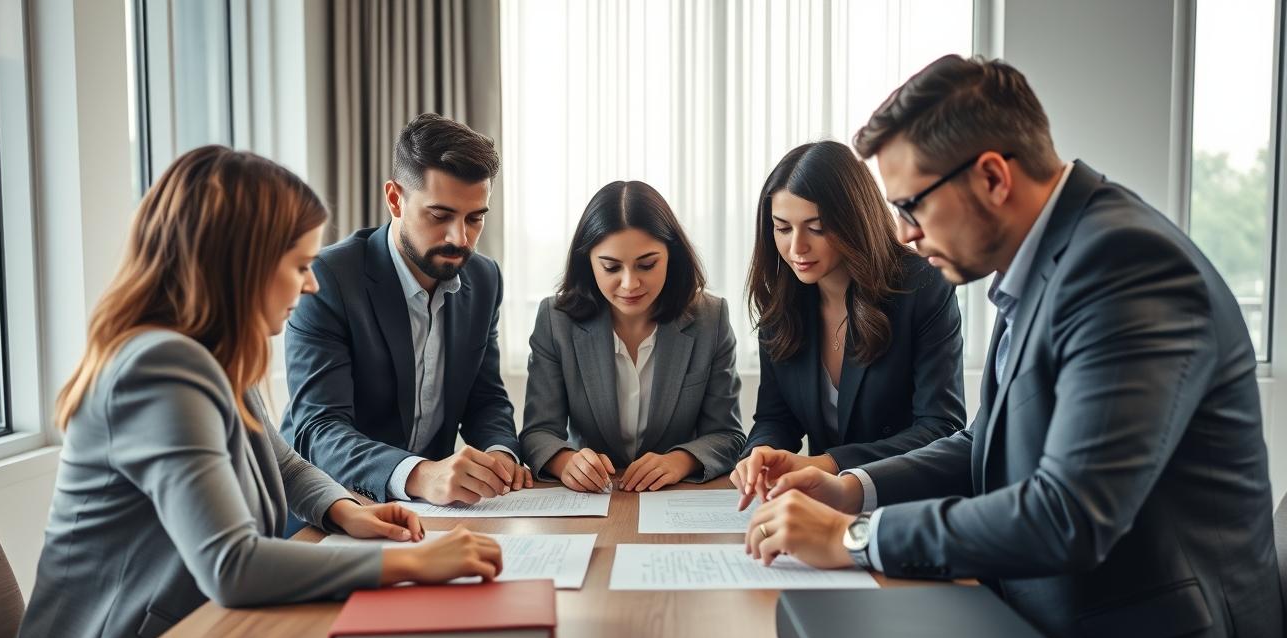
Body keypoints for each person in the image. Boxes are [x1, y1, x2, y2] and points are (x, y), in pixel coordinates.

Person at [745, 55, 1282, 638]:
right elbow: (985, 446)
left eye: (912, 205)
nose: (903, 233)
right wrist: (849, 486)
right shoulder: (1047, 262)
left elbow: (1069, 513)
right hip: (1041, 630)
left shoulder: (1124, 264)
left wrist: (853, 536)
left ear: (993, 177)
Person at [0, 146, 503, 638]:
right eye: (298, 265)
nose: (311, 285)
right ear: (242, 263)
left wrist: (345, 511)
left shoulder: (210, 354)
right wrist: (410, 562)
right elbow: (231, 565)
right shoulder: (158, 367)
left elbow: (280, 462)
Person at [282, 113, 526, 534]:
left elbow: (485, 398)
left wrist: (501, 454)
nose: (460, 238)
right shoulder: (328, 280)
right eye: (440, 215)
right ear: (395, 199)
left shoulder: (484, 279)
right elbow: (318, 430)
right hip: (331, 512)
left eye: (474, 218)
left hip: (433, 518)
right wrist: (419, 474)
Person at [731, 140, 964, 504]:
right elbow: (776, 419)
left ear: (855, 220)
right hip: (823, 504)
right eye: (783, 228)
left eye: (816, 228)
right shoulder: (781, 302)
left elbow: (940, 428)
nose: (797, 248)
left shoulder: (922, 285)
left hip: (904, 502)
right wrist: (760, 455)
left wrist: (828, 463)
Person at [521, 181, 745, 492]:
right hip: (592, 497)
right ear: (588, 262)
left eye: (647, 264)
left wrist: (679, 461)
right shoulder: (555, 319)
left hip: (674, 495)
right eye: (611, 267)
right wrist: (566, 462)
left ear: (672, 256)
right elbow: (538, 432)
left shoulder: (711, 318)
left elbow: (728, 435)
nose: (629, 284)